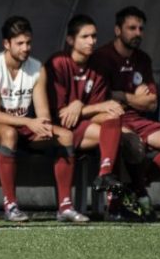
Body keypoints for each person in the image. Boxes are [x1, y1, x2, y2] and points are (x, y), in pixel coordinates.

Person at [0, 16, 88, 223]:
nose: (26, 48)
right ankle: (10, 205)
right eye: (19, 43)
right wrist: (30, 122)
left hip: (22, 127)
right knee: (9, 133)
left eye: (28, 42)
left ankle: (65, 206)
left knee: (65, 135)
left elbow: (43, 113)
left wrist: (44, 125)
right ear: (6, 44)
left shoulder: (37, 68)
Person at [89, 6, 160, 219]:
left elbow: (152, 103)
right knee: (132, 144)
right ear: (118, 30)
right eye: (132, 28)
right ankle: (123, 201)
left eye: (141, 29)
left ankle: (135, 186)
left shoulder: (142, 59)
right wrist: (133, 97)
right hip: (110, 119)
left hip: (138, 119)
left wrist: (121, 95)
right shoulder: (101, 57)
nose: (138, 33)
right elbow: (103, 99)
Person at [45, 15, 125, 198]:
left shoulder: (99, 65)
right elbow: (62, 114)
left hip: (84, 124)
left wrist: (80, 107)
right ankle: (119, 196)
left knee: (113, 115)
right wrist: (86, 106)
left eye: (94, 36)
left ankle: (106, 174)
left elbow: (97, 109)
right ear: (70, 40)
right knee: (115, 137)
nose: (92, 41)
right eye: (85, 36)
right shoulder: (58, 63)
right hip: (58, 128)